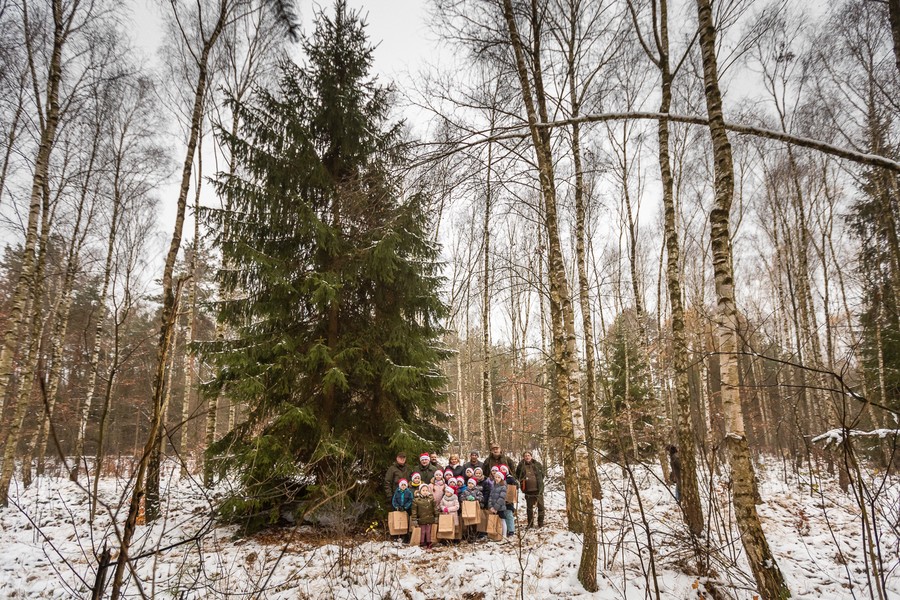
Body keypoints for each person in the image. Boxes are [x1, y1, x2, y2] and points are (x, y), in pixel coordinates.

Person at [515, 451, 545, 528]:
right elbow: (518, 475)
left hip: (538, 490)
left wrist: (539, 482)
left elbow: (542, 474)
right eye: (525, 456)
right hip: (528, 491)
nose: (527, 457)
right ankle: (530, 524)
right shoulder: (521, 466)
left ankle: (540, 523)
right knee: (529, 509)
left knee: (541, 507)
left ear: (531, 456)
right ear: (523, 457)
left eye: (528, 455)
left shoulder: (537, 464)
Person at [411, 484, 437, 549]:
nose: (425, 492)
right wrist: (414, 519)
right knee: (422, 531)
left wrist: (436, 516)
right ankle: (422, 542)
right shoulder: (416, 500)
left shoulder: (431, 499)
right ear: (420, 491)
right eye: (423, 490)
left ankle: (429, 542)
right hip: (421, 519)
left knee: (428, 531)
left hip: (429, 518)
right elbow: (414, 511)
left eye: (426, 490)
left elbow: (435, 508)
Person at [487, 470, 509, 539]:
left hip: (500, 507)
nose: (496, 478)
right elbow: (490, 497)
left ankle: (504, 535)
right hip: (493, 507)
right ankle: (495, 534)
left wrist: (496, 508)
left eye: (498, 477)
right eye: (495, 477)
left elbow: (501, 498)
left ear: (501, 479)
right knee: (494, 521)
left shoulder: (503, 487)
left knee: (502, 520)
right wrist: (491, 506)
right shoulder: (493, 486)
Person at [499, 464, 518, 537]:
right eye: (501, 470)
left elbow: (514, 484)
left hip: (508, 500)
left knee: (509, 514)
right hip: (501, 499)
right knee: (503, 515)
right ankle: (505, 529)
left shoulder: (510, 478)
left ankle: (511, 530)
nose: (502, 471)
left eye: (504, 470)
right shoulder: (498, 477)